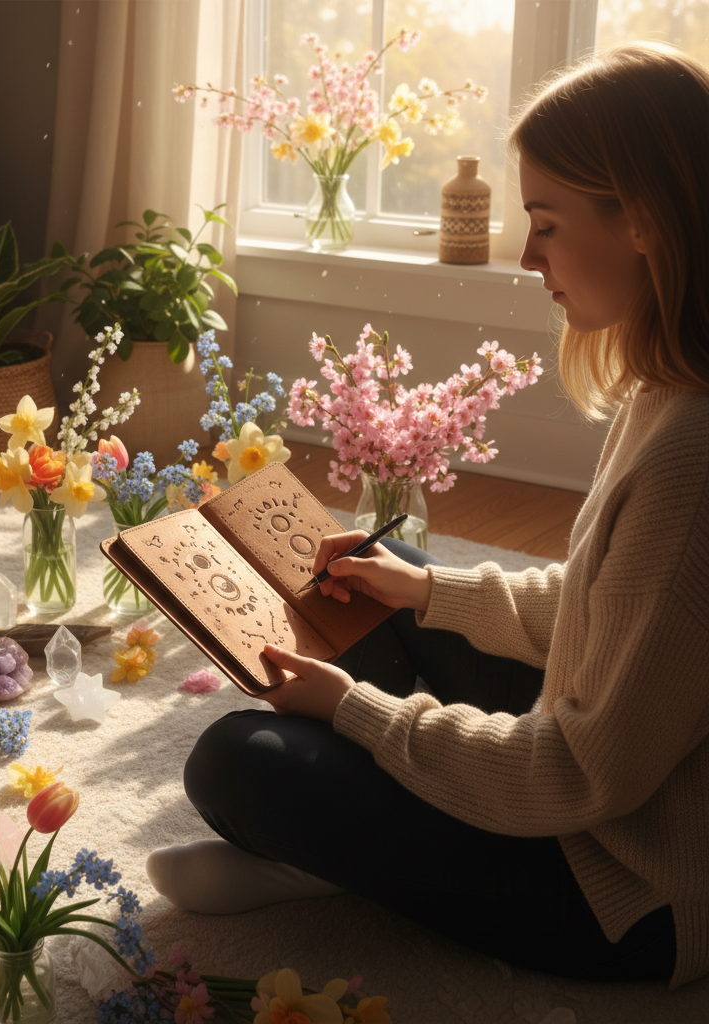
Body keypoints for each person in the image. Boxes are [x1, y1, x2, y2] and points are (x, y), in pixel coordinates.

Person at [146, 41, 709, 989]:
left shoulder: (692, 453)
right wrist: (428, 589)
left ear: (645, 221)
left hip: (631, 895)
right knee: (377, 569)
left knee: (237, 760)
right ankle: (361, 841)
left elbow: (579, 775)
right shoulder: (667, 392)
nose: (529, 255)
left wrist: (355, 712)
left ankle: (330, 861)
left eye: (546, 223)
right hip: (608, 801)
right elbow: (611, 607)